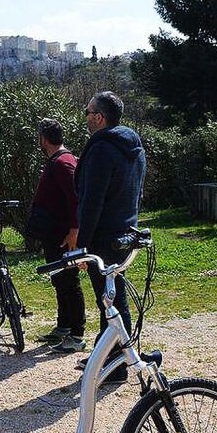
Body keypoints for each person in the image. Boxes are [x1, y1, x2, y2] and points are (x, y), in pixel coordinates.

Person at [75, 91, 146, 383]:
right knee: (114, 300)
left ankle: (116, 367)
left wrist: (81, 247)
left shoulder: (102, 150)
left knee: (111, 303)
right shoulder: (134, 148)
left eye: (88, 112)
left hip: (103, 239)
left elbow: (92, 201)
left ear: (99, 117)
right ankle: (107, 359)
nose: (86, 116)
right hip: (125, 232)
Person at [31, 117, 86, 352]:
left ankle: (77, 334)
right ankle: (64, 325)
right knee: (59, 280)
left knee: (69, 281)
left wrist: (75, 231)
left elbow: (76, 198)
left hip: (64, 236)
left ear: (43, 139)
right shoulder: (57, 160)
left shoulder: (63, 163)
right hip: (54, 234)